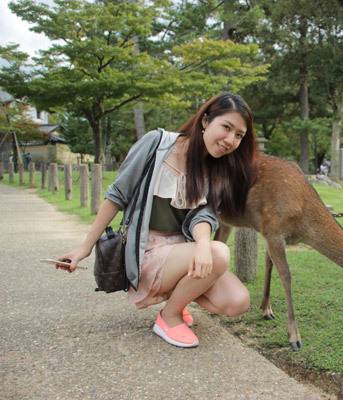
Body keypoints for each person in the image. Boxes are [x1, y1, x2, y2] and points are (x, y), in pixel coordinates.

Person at [57, 93, 255, 348]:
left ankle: (177, 300)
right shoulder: (157, 144)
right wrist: (84, 248)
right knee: (219, 253)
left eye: (239, 135)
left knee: (237, 301)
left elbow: (204, 215)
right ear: (205, 121)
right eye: (226, 127)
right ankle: (169, 316)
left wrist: (203, 245)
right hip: (147, 250)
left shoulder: (217, 169)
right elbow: (117, 195)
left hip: (182, 250)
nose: (230, 140)